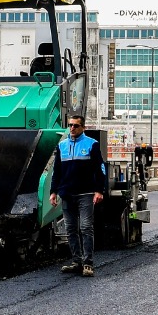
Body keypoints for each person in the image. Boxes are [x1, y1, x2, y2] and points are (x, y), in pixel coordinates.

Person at [50, 115, 106, 277]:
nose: (72, 128)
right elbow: (57, 172)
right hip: (67, 194)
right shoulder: (62, 146)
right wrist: (53, 192)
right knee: (71, 229)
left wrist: (99, 190)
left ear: (83, 128)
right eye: (70, 125)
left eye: (75, 126)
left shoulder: (91, 144)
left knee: (86, 227)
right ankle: (76, 261)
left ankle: (88, 263)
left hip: (86, 194)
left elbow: (100, 169)